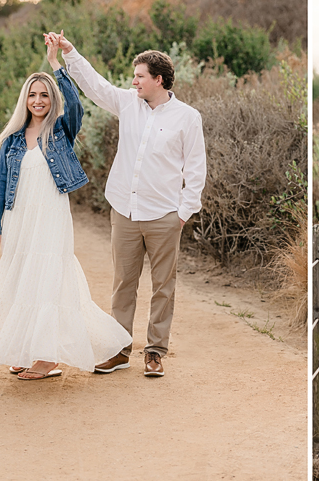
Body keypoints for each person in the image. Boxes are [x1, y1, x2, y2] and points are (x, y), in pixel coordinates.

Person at [0, 35, 131, 380]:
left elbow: (75, 104)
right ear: (24, 100)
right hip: (18, 220)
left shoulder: (60, 131)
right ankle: (29, 350)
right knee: (22, 282)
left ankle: (48, 359)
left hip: (51, 219)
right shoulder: (10, 141)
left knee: (48, 281)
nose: (38, 100)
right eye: (33, 94)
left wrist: (56, 63)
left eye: (44, 95)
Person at [46, 31, 206, 378]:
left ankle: (155, 351)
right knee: (123, 284)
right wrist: (70, 52)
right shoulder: (127, 104)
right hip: (125, 210)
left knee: (163, 286)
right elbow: (94, 85)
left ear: (158, 79)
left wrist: (183, 213)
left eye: (140, 77)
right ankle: (118, 350)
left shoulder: (187, 117)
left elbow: (195, 169)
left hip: (164, 215)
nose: (133, 82)